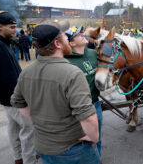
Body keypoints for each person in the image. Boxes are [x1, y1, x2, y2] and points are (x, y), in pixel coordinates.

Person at [10, 20, 100, 164]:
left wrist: (40, 121)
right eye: (65, 36)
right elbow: (88, 117)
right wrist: (94, 137)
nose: (68, 39)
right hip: (73, 149)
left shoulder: (26, 71)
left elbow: (18, 103)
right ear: (57, 44)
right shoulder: (72, 73)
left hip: (43, 146)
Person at [0, 11, 36, 164]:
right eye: (12, 27)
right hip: (14, 98)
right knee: (29, 129)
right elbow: (7, 78)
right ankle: (28, 161)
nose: (15, 30)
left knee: (13, 128)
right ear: (0, 26)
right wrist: (22, 98)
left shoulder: (0, 42)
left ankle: (18, 158)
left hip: (9, 98)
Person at [64, 26, 103, 157]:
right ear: (71, 43)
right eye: (78, 34)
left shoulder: (93, 53)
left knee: (97, 137)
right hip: (78, 110)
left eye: (82, 32)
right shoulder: (66, 61)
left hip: (96, 104)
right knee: (84, 142)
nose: (82, 34)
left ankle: (97, 158)